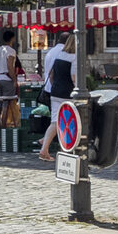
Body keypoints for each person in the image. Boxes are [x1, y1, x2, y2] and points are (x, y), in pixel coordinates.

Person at [38, 32, 77, 160]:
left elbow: (51, 74)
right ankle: (65, 148)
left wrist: (56, 86)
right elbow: (74, 77)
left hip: (55, 92)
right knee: (71, 120)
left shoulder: (60, 55)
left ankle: (44, 149)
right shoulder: (74, 57)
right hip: (68, 93)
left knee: (55, 121)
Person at [0, 28, 21, 132]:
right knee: (6, 105)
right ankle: (4, 130)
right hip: (7, 79)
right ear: (12, 39)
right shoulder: (11, 51)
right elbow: (10, 66)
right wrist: (15, 80)